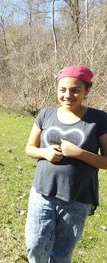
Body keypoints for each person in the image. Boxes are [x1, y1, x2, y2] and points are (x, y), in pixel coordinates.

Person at [24, 65, 107, 262]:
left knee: (61, 254)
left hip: (77, 197)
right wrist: (45, 152)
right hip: (42, 191)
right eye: (62, 90)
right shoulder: (46, 114)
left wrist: (79, 154)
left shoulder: (99, 119)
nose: (68, 95)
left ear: (87, 90)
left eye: (75, 90)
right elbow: (29, 148)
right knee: (35, 246)